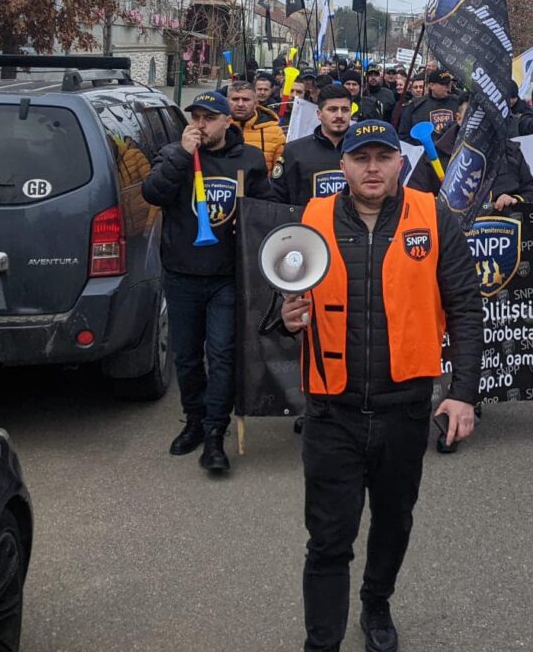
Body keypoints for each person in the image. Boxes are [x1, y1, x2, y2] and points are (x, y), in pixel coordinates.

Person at [280, 119, 483, 652]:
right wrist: (287, 318)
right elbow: (288, 300)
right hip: (332, 410)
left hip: (404, 411)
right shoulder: (313, 217)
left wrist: (463, 392)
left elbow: (465, 306)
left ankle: (376, 603)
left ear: (400, 163)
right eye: (360, 158)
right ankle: (321, 641)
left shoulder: (433, 215)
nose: (372, 168)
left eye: (383, 157)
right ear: (343, 165)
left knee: (393, 524)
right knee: (328, 539)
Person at [140, 90, 273, 473]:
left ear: (227, 121)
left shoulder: (248, 158)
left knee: (222, 354)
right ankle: (194, 420)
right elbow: (153, 193)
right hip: (182, 274)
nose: (200, 124)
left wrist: (251, 221)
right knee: (186, 356)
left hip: (226, 278)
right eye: (195, 117)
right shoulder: (173, 154)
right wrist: (182, 156)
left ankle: (216, 431)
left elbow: (267, 206)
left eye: (209, 117)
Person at [408, 94, 533, 211]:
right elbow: (413, 199)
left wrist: (514, 200)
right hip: (450, 229)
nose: (479, 123)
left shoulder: (510, 151)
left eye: (485, 116)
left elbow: (532, 193)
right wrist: (437, 205)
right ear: (459, 118)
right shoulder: (438, 154)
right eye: (472, 116)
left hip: (501, 226)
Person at [282, 84, 355, 205]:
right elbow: (280, 198)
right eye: (332, 109)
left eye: (345, 110)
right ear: (319, 114)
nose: (339, 115)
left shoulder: (362, 150)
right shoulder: (295, 151)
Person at [229, 79, 286, 182]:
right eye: (235, 99)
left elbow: (279, 174)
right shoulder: (218, 128)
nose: (240, 104)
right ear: (227, 101)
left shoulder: (275, 132)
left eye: (246, 100)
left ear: (256, 103)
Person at [397, 68, 461, 142]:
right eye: (444, 84)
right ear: (432, 85)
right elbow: (404, 134)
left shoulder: (459, 103)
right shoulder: (416, 105)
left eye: (449, 83)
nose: (448, 87)